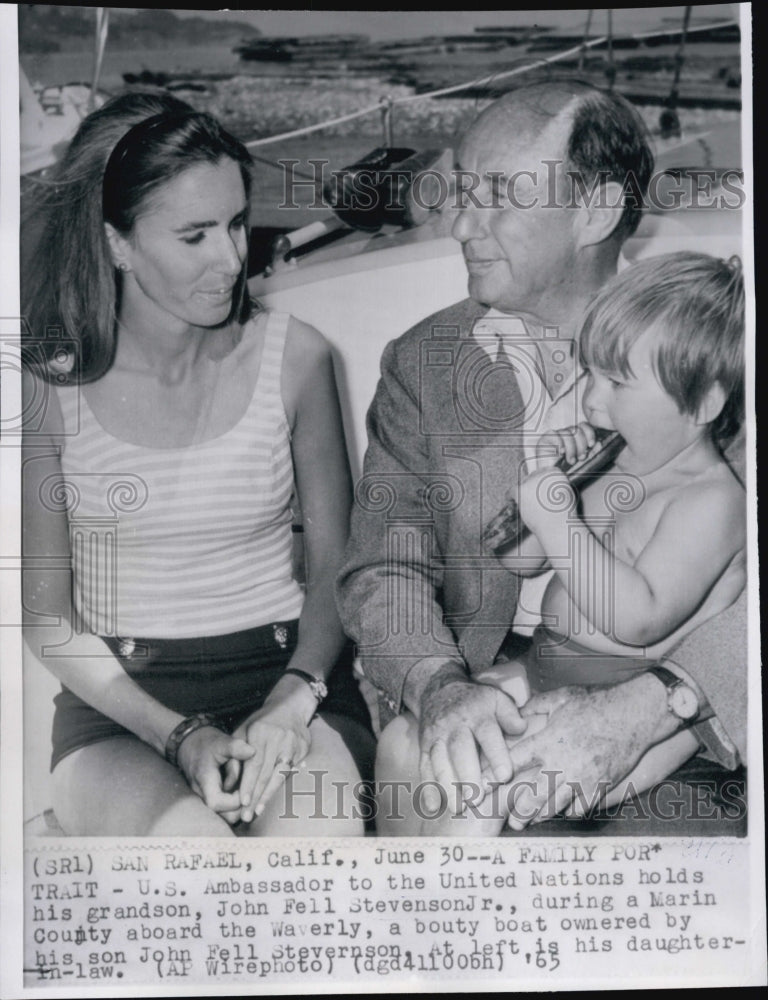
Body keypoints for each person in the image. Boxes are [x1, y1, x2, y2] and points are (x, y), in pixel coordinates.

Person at [336, 81, 747, 834]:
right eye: (462, 192)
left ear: (593, 211)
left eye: (497, 196)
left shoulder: (704, 361)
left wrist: (655, 708)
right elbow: (384, 567)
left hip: (675, 708)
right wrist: (441, 688)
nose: (461, 223)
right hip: (499, 678)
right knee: (417, 774)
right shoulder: (424, 362)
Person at [22, 91, 373, 837]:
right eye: (194, 235)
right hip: (121, 707)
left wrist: (294, 697)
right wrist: (176, 737)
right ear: (117, 243)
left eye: (238, 224)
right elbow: (47, 620)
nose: (232, 258)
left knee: (307, 872)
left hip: (289, 679)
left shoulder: (298, 358)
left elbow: (339, 569)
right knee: (191, 870)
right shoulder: (47, 388)